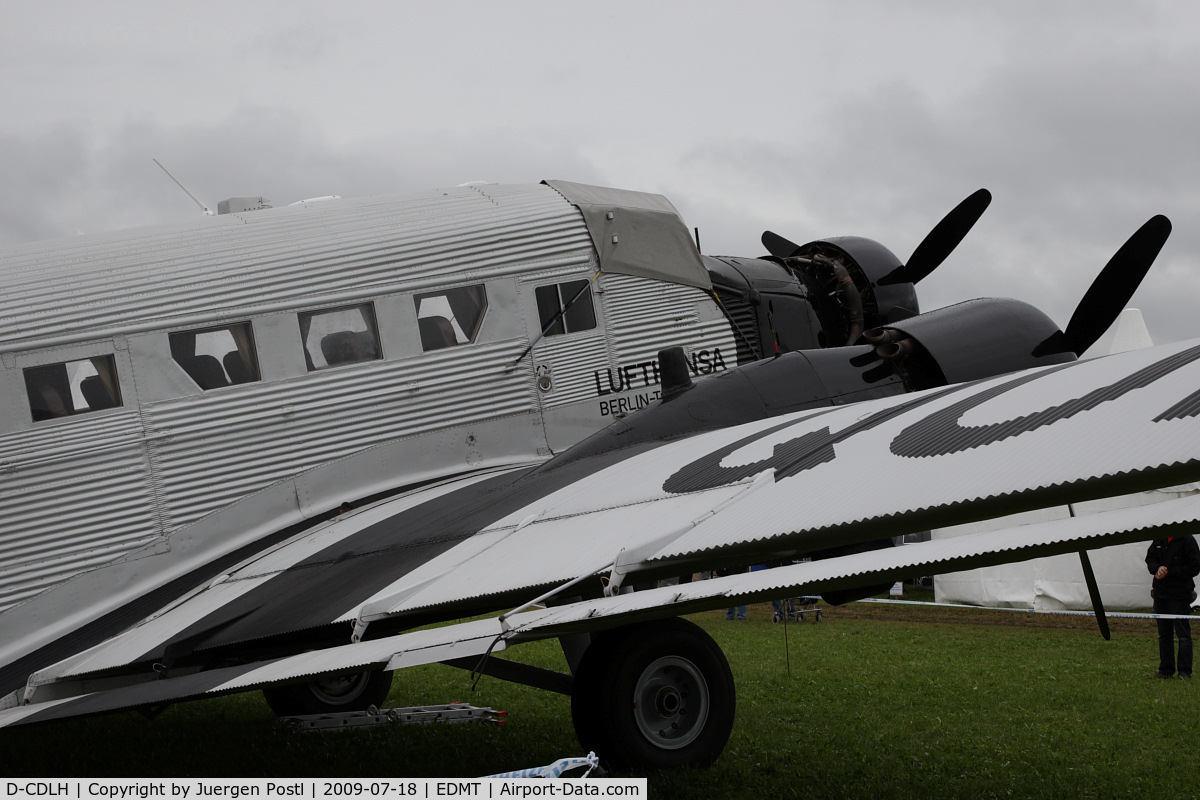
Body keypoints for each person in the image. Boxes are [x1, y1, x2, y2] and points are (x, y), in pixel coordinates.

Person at [1145, 533, 1200, 678]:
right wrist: (1157, 569)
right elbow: (1150, 559)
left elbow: (1195, 566)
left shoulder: (1187, 539)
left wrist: (1170, 572)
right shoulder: (1159, 538)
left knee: (1183, 634)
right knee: (1164, 635)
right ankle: (1165, 670)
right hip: (1160, 593)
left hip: (1179, 595)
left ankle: (1184, 671)